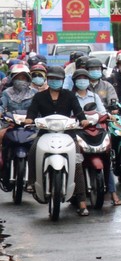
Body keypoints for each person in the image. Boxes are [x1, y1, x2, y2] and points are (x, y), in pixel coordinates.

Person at [24, 66, 89, 216]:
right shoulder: (39, 96)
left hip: (68, 134)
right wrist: (29, 118)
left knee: (77, 162)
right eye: (52, 79)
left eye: (58, 79)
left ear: (62, 80)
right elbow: (32, 111)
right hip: (45, 133)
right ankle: (31, 182)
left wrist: (83, 120)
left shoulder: (69, 96)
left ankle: (82, 202)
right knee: (33, 150)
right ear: (48, 80)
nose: (55, 82)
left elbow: (78, 110)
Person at [72, 68, 121, 206]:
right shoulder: (71, 97)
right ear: (74, 82)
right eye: (79, 79)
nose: (82, 81)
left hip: (96, 130)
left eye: (85, 78)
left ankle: (112, 192)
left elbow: (102, 111)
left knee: (107, 159)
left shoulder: (94, 96)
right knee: (74, 160)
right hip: (78, 131)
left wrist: (108, 116)